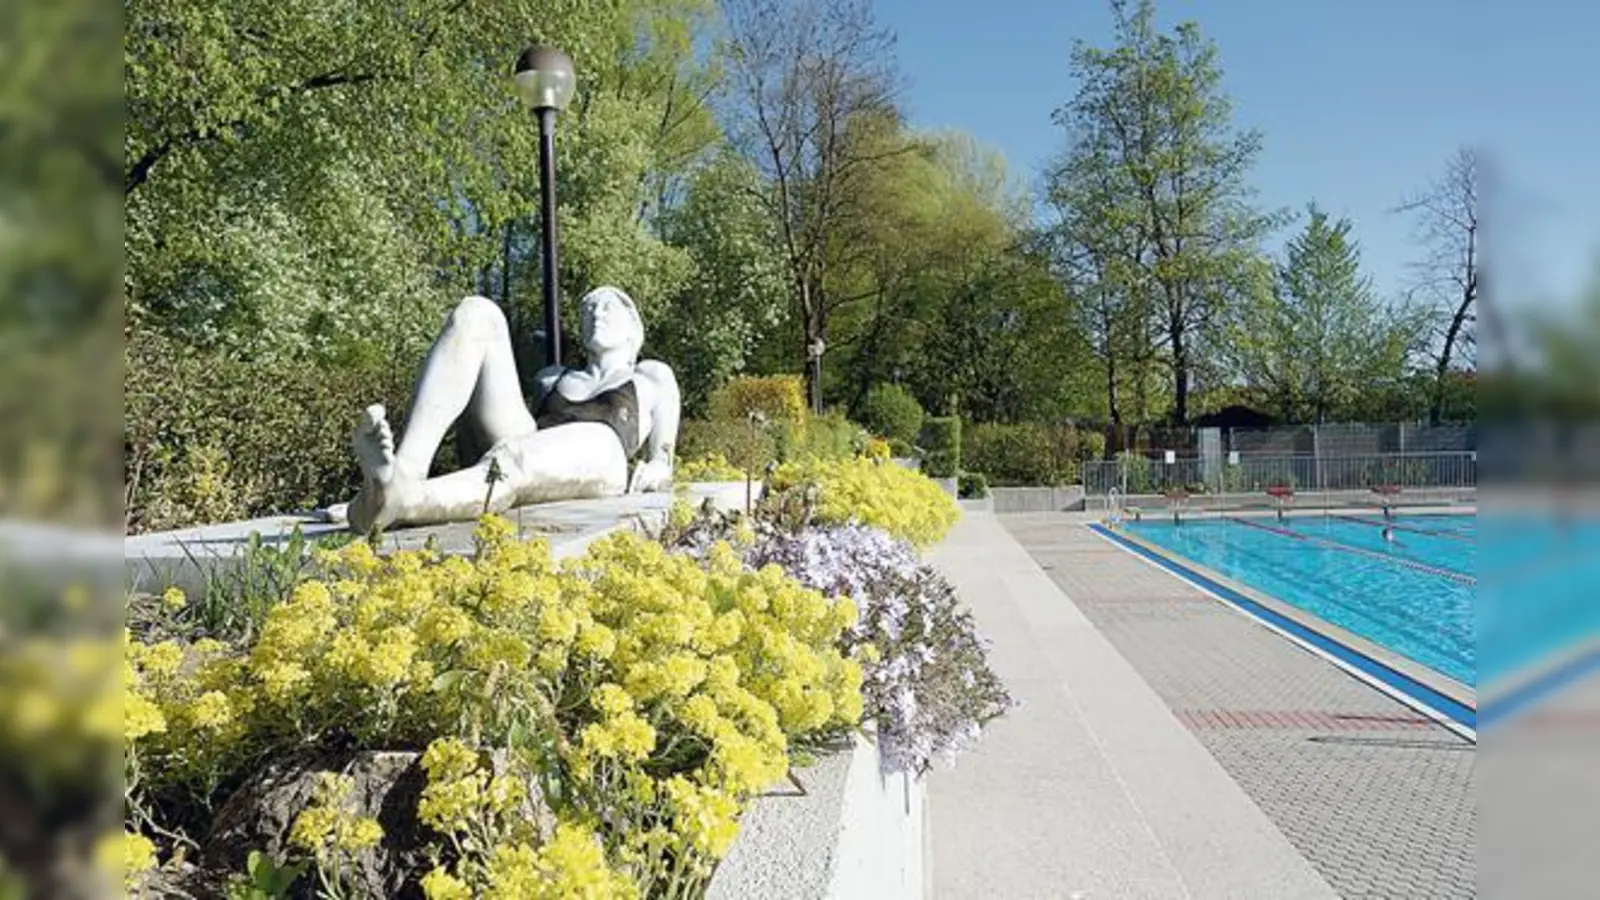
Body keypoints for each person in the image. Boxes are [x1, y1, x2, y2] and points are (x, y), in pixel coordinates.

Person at [325, 286, 681, 532]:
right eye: (587, 310)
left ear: (634, 327)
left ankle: (405, 501)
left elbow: (663, 456)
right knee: (476, 312)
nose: (595, 314)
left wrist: (659, 466)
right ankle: (403, 474)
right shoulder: (551, 379)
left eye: (607, 307)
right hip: (535, 445)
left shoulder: (650, 375)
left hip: (605, 452)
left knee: (513, 459)